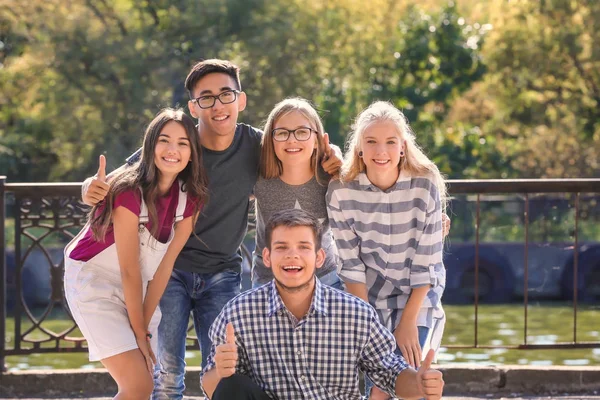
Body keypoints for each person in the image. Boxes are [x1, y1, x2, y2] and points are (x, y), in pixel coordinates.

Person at [81, 59, 341, 399]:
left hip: (222, 273)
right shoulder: (180, 144)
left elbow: (298, 146)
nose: (218, 105)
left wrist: (332, 153)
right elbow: (116, 177)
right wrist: (88, 186)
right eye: (206, 98)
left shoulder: (258, 146)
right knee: (166, 371)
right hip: (168, 270)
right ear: (193, 106)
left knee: (220, 370)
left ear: (241, 100)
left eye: (226, 94)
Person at [201, 209, 445, 400]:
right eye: (281, 247)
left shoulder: (355, 313)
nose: (292, 255)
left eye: (303, 247)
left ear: (319, 258)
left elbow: (391, 373)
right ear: (267, 257)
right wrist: (221, 372)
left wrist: (419, 383)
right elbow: (212, 388)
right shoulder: (239, 313)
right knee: (232, 385)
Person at [64, 108, 207, 399]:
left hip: (139, 286)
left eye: (182, 143)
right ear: (149, 145)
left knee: (145, 385)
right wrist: (139, 332)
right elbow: (128, 268)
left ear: (192, 153)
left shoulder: (191, 199)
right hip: (95, 282)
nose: (172, 150)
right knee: (138, 386)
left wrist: (142, 326)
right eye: (164, 140)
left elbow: (164, 268)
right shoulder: (129, 191)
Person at [327, 101, 447, 400]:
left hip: (418, 295)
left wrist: (407, 323)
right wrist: (370, 327)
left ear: (403, 147)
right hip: (368, 296)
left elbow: (426, 262)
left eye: (390, 142)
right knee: (377, 385)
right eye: (372, 142)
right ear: (359, 149)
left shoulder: (425, 183)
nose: (381, 151)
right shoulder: (340, 191)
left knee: (409, 380)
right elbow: (351, 266)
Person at [252, 97, 343, 289]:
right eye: (282, 133)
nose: (292, 139)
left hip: (326, 280)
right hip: (268, 283)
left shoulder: (330, 176)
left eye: (302, 132)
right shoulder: (258, 175)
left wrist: (337, 155)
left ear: (318, 140)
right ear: (271, 139)